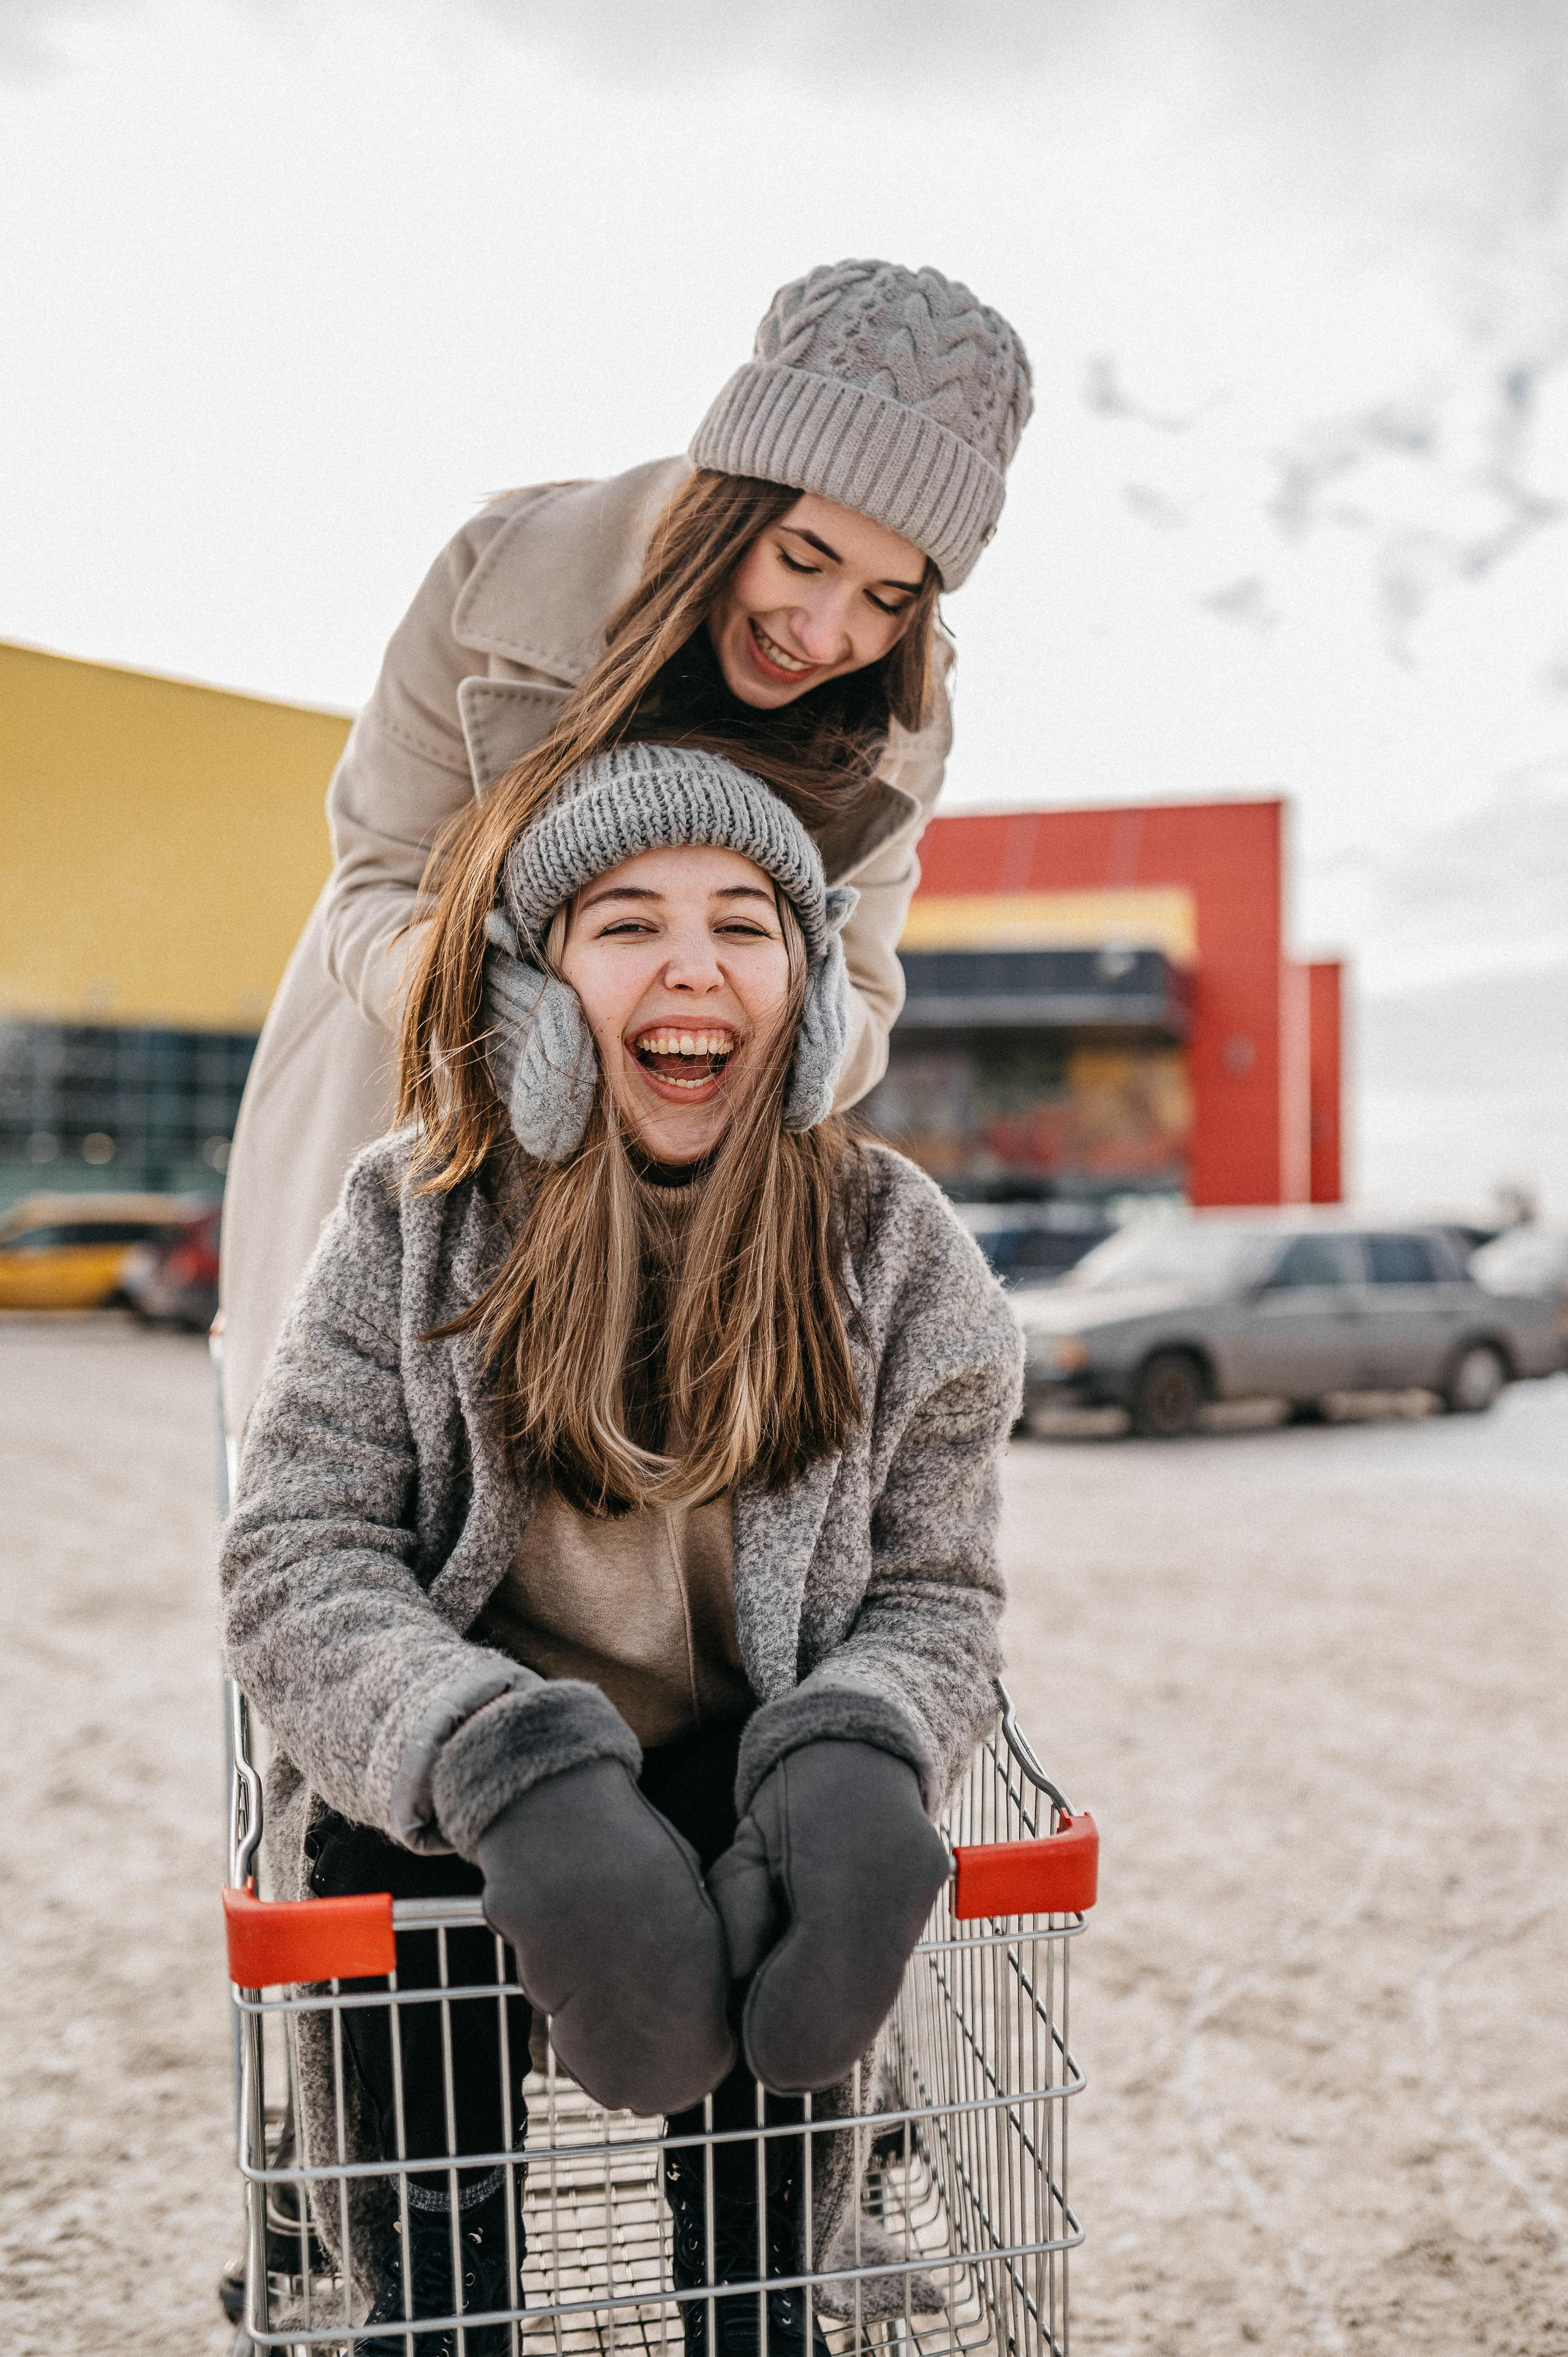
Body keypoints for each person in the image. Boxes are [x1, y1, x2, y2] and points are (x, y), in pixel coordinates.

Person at [220, 743, 1023, 2353]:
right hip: (464, 1790)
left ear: (801, 983)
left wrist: (867, 1751)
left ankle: (755, 2314)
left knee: (777, 1965)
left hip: (746, 1762)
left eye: (745, 923)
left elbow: (938, 1588)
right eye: (626, 923)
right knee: (379, 1884)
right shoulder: (417, 1217)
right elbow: (299, 1555)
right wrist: (501, 1759)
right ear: (539, 983)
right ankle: (439, 2317)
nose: (691, 966)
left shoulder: (894, 1248)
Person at [219, 257, 1033, 1437]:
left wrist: (771, 1047)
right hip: (405, 1100)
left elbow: (859, 991)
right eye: (802, 559)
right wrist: (504, 1026)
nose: (825, 630)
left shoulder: (902, 724)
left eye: (888, 596)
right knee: (348, 1513)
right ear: (732, 497)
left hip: (672, 1206)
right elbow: (376, 878)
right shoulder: (499, 576)